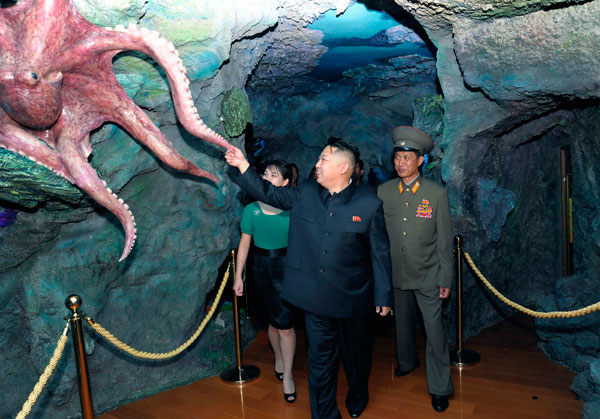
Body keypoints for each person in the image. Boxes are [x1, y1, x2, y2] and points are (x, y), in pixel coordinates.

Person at [226, 137, 393, 419]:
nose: (316, 164)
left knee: (356, 358)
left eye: (323, 160)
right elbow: (269, 192)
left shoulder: (369, 204)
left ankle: (357, 395)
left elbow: (380, 254)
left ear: (343, 168)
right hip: (316, 300)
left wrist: (384, 296)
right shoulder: (305, 192)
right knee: (320, 364)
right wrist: (242, 164)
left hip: (354, 300)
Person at [377, 126, 454, 413]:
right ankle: (407, 363)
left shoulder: (436, 194)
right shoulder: (383, 192)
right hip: (396, 273)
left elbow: (445, 241)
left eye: (407, 158)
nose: (401, 163)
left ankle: (440, 387)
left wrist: (445, 277)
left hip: (429, 275)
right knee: (402, 326)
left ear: (420, 161)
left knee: (434, 332)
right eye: (397, 157)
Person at [232, 159, 297, 403]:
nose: (267, 178)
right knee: (271, 320)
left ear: (285, 182)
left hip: (286, 268)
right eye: (265, 174)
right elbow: (245, 243)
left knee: (286, 325)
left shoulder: (293, 210)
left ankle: (288, 376)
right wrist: (239, 276)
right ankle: (278, 358)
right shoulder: (252, 209)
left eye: (273, 175)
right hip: (260, 268)